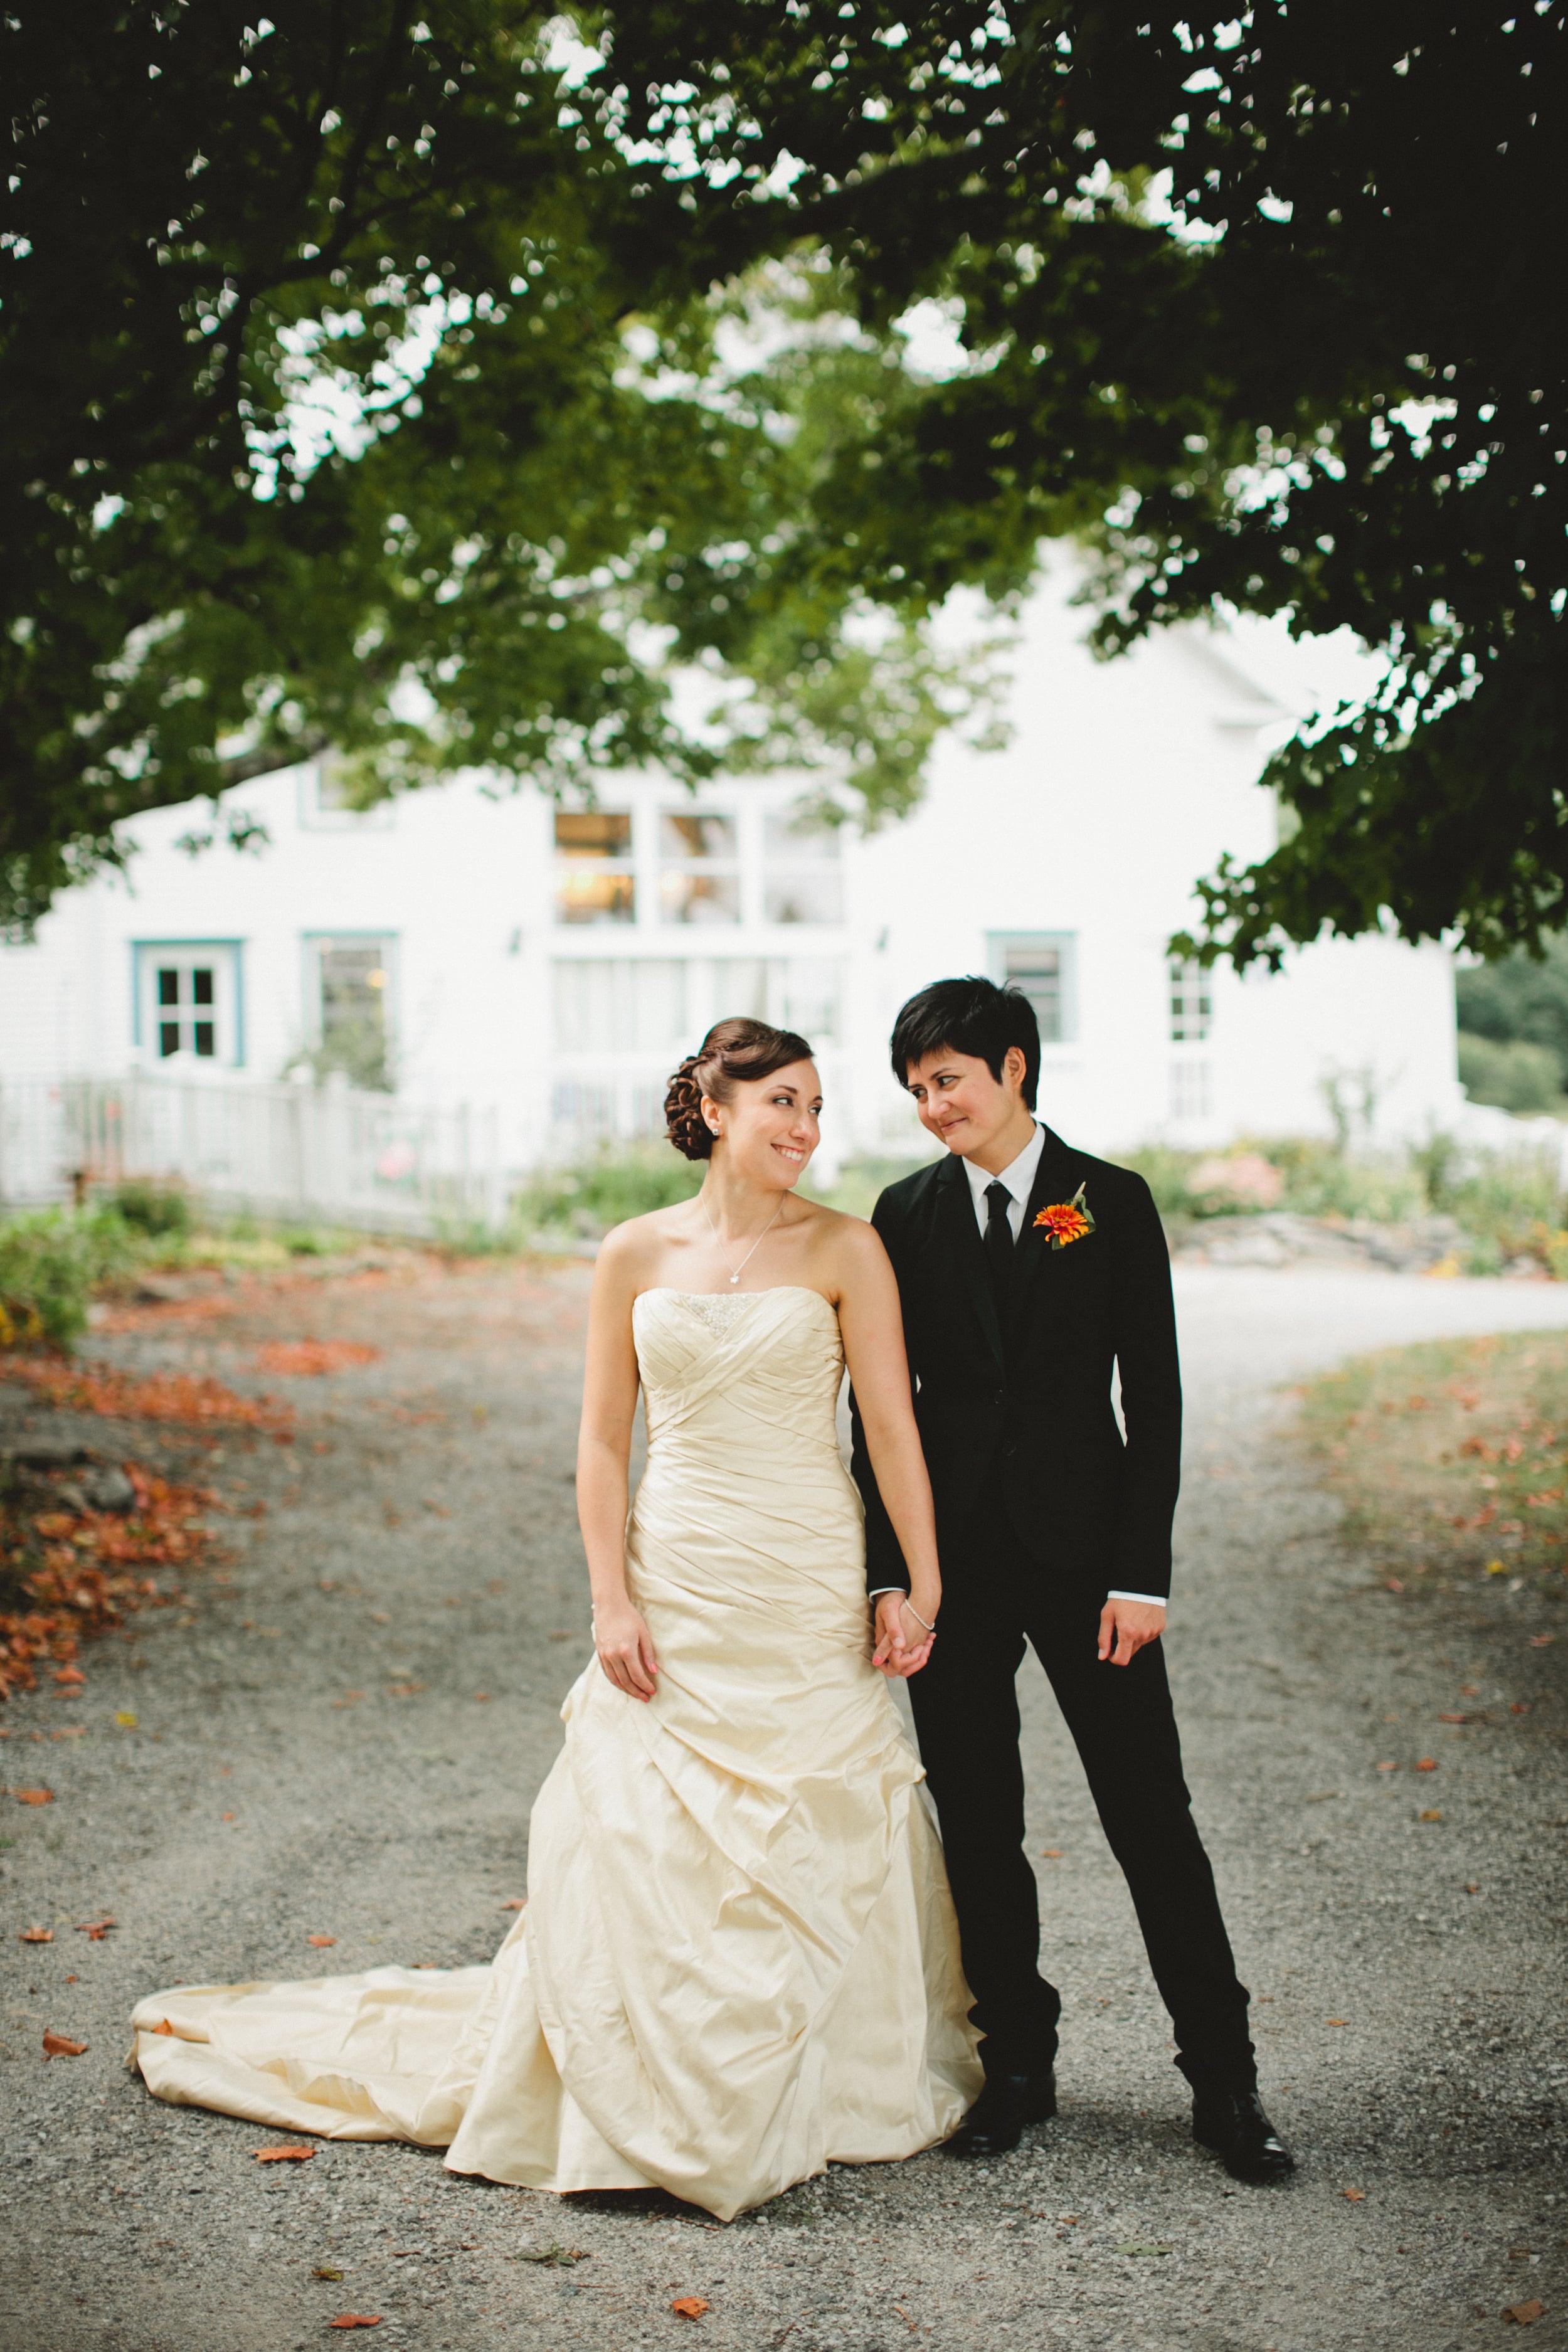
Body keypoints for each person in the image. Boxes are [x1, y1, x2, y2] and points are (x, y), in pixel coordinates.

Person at [130, 1017, 980, 2222]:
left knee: (815, 1811)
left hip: (801, 1571)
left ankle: (830, 2077)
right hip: (676, 1566)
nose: (806, 1127)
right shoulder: (633, 1253)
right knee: (645, 1821)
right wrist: (610, 1597)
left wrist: (922, 1578)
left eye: (817, 1107)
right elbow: (598, 1439)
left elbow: (892, 1426)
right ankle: (628, 2081)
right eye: (783, 1101)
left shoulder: (850, 1248)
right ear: (716, 1106)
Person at [850, 975, 1293, 2185]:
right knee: (980, 1825)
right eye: (915, 1088)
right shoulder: (903, 1214)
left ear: (1013, 1067)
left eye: (946, 1079)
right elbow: (878, 1412)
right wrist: (896, 1575)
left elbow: (1153, 1399)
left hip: (1092, 1569)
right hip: (955, 1574)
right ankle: (1020, 2071)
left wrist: (1141, 1574)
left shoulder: (1113, 1201)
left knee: (1153, 1821)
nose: (930, 1104)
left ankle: (1224, 2081)